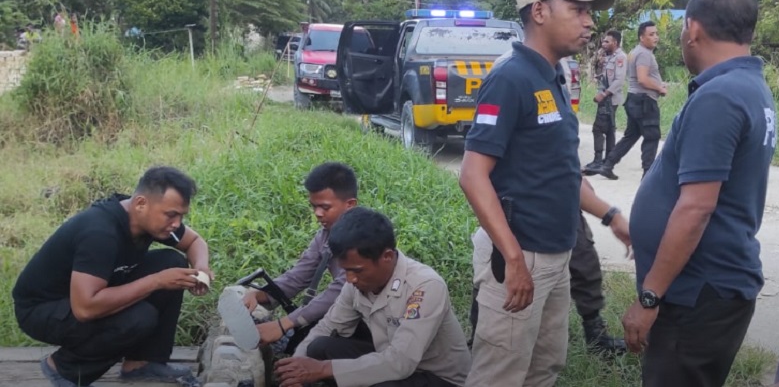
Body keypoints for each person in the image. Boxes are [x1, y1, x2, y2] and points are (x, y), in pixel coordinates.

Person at [459, 0, 616, 386]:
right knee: (499, 376)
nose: (589, 22)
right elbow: (473, 175)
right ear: (540, 11)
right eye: (578, 9)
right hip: (520, 256)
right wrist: (513, 259)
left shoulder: (554, 76)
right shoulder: (510, 78)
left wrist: (612, 217)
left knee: (543, 367)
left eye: (591, 12)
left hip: (554, 255)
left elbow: (561, 171)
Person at [621, 0, 777, 387]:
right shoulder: (750, 86)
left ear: (692, 29)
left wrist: (650, 296)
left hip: (697, 292)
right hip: (711, 286)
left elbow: (696, 208)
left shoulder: (720, 96)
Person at [12, 166, 213, 387]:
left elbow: (195, 242)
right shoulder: (100, 233)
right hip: (42, 309)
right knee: (139, 317)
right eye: (171, 214)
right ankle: (63, 369)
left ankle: (141, 363)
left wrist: (201, 269)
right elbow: (85, 308)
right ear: (141, 204)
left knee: (172, 261)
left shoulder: (146, 219)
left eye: (181, 215)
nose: (176, 223)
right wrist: (156, 281)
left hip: (88, 294)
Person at [273, 207, 470, 387]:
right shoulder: (356, 283)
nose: (349, 279)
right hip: (387, 358)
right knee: (319, 347)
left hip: (437, 378)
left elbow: (401, 363)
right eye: (346, 270)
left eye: (357, 270)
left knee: (377, 384)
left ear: (387, 257)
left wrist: (322, 369)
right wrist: (296, 367)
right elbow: (327, 327)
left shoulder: (425, 286)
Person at [470, 178, 631, 355]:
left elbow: (571, 175)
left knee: (585, 260)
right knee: (498, 285)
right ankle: (480, 337)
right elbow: (474, 175)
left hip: (561, 206)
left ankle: (595, 332)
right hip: (519, 211)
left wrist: (610, 215)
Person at [241, 162, 359, 353]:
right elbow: (298, 276)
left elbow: (340, 290)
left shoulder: (364, 238)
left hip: (369, 323)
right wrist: (261, 294)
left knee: (317, 349)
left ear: (350, 205)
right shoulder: (325, 235)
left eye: (325, 207)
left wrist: (284, 323)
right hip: (345, 315)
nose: (317, 214)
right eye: (314, 206)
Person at [587, 21, 667, 180]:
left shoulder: (635, 52)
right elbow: (643, 79)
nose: (656, 37)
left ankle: (608, 164)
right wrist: (660, 88)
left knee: (631, 135)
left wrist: (658, 84)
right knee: (651, 136)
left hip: (634, 99)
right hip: (644, 101)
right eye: (651, 34)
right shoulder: (644, 53)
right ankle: (648, 175)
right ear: (641, 37)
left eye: (656, 34)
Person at [583, 30, 627, 172]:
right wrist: (600, 64)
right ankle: (607, 161)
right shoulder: (607, 56)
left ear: (615, 42)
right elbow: (601, 76)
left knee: (598, 129)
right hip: (605, 97)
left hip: (610, 99)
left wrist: (604, 94)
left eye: (607, 41)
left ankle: (598, 161)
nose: (603, 44)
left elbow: (619, 81)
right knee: (609, 130)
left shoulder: (620, 57)